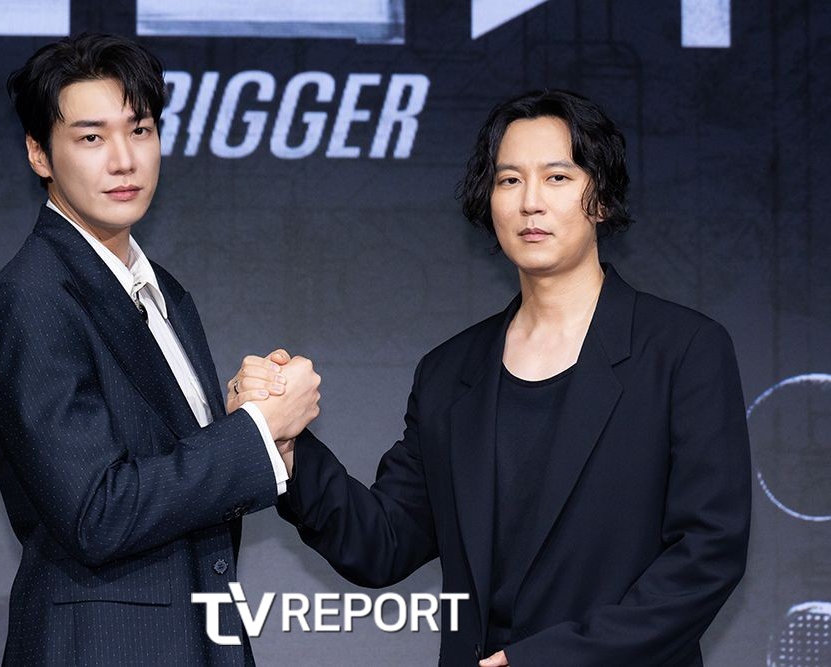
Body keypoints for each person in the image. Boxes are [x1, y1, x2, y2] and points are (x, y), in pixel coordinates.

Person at [230, 89, 751, 666]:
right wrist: (285, 445)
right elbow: (384, 542)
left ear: (601, 198)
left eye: (557, 177)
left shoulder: (683, 351)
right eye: (509, 180)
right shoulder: (449, 372)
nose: (530, 202)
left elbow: (707, 554)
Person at [0, 34, 319, 666]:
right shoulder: (30, 299)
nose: (124, 160)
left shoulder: (165, 293)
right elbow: (97, 514)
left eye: (140, 130)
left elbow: (174, 481)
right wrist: (254, 433)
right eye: (91, 137)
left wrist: (247, 426)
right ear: (38, 154)